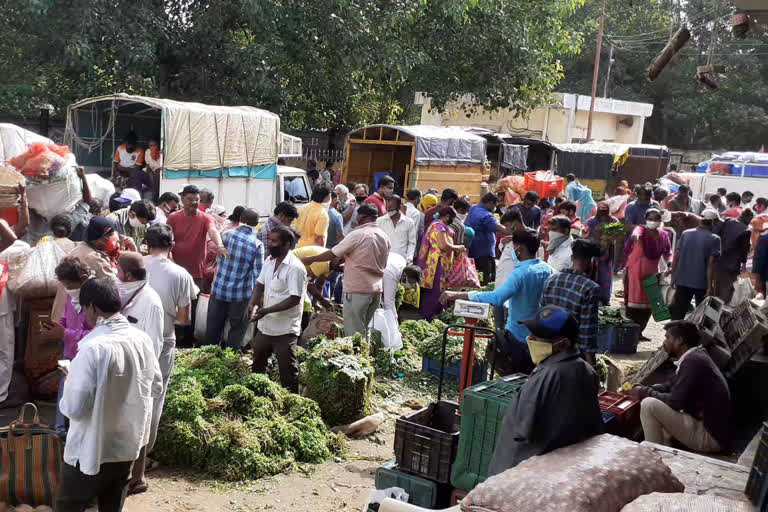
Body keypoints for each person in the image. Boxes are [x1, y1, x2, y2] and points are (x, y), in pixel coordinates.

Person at [55, 278, 162, 512]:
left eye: (84, 310)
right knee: (112, 505)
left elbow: (73, 407)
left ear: (93, 307)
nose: (85, 315)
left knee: (68, 505)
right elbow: (156, 386)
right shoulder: (141, 339)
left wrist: (70, 377)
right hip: (125, 444)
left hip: (93, 448)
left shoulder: (93, 348)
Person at [487, 305, 604, 475]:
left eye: (539, 337)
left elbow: (522, 430)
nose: (531, 338)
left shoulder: (547, 376)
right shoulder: (587, 371)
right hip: (556, 468)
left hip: (519, 471)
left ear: (563, 344)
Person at [442, 231, 556, 376]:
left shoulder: (521, 273)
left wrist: (460, 295)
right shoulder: (549, 270)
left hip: (518, 337)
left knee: (513, 377)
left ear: (519, 248)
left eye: (512, 247)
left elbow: (497, 298)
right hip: (541, 338)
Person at [632, 321, 730, 453]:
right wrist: (648, 388)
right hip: (704, 426)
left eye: (667, 338)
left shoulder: (693, 362)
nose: (664, 343)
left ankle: (651, 455)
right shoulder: (695, 356)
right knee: (657, 402)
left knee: (649, 404)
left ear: (679, 341)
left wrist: (643, 392)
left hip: (710, 438)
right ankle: (662, 451)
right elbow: (671, 385)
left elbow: (675, 401)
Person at [301, 204, 391, 338]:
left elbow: (333, 254)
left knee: (353, 333)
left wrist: (311, 259)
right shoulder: (383, 236)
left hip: (358, 290)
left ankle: (358, 358)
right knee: (363, 330)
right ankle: (364, 355)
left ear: (362, 217)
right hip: (376, 289)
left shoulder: (359, 234)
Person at [248, 226, 307, 393]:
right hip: (265, 327)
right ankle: (258, 394)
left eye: (274, 241)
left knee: (287, 370)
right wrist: (252, 303)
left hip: (284, 329)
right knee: (258, 363)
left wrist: (267, 310)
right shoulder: (269, 260)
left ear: (287, 244)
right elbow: (260, 284)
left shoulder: (295, 268)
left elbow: (294, 299)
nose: (269, 244)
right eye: (269, 240)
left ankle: (291, 400)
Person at [42, 257, 92, 439]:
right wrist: (56, 327)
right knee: (66, 389)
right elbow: (65, 316)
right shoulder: (73, 297)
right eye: (65, 286)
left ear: (85, 278)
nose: (68, 290)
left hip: (87, 357)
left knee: (81, 398)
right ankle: (61, 429)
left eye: (70, 285)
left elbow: (97, 334)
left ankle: (74, 433)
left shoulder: (98, 299)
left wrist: (65, 333)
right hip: (70, 352)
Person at [207, 209, 264, 350]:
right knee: (237, 330)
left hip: (219, 290)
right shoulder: (257, 245)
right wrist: (258, 301)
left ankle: (209, 356)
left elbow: (217, 258)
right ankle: (230, 360)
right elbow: (259, 276)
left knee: (213, 328)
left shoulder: (226, 235)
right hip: (240, 296)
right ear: (256, 224)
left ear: (240, 219)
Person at [541, 239, 603, 366]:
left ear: (572, 257)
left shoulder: (551, 280)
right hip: (573, 357)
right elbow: (587, 334)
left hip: (550, 350)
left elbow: (541, 317)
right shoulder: (590, 288)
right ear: (590, 261)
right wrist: (592, 368)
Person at [50, 217, 120, 324]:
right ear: (98, 238)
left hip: (63, 316)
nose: (109, 241)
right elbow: (113, 289)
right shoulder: (94, 258)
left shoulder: (76, 250)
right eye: (107, 238)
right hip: (79, 320)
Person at [622, 209, 672, 338]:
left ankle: (639, 332)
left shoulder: (663, 235)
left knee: (649, 304)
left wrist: (669, 264)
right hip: (635, 272)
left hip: (652, 273)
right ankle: (630, 332)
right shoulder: (640, 231)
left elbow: (668, 252)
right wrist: (636, 236)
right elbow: (636, 232)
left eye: (656, 219)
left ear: (660, 221)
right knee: (633, 304)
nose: (653, 221)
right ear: (646, 219)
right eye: (651, 218)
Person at [167, 185, 229, 288]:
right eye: (190, 199)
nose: (194, 202)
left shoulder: (206, 218)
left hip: (196, 271)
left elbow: (213, 231)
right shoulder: (173, 217)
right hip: (174, 268)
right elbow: (166, 238)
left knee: (194, 301)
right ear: (182, 199)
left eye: (197, 200)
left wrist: (220, 246)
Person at [670, 209, 721, 320]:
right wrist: (710, 287)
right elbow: (711, 265)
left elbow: (676, 257)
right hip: (701, 284)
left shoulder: (686, 234)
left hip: (682, 280)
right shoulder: (715, 239)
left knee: (678, 312)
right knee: (701, 315)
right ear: (713, 222)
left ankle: (672, 333)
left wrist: (673, 277)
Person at [417, 206, 466, 319]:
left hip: (438, 263)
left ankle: (432, 316)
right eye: (452, 218)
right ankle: (427, 317)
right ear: (447, 216)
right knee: (435, 292)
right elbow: (443, 245)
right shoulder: (439, 227)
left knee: (437, 291)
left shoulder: (437, 225)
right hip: (436, 264)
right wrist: (458, 247)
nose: (452, 221)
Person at [493, 210, 526, 332]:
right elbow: (505, 254)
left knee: (509, 325)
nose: (506, 229)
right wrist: (502, 242)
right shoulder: (511, 237)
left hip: (513, 289)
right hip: (500, 287)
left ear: (515, 223)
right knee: (498, 326)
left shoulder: (529, 237)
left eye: (507, 226)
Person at [466, 193, 509, 285]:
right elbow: (504, 231)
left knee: (476, 278)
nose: (495, 207)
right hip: (484, 253)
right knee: (485, 281)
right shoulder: (486, 215)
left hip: (473, 250)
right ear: (490, 203)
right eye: (495, 205)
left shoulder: (474, 208)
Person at [713, 209, 752, 303]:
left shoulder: (727, 220)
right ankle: (721, 311)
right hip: (731, 264)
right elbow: (744, 250)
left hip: (718, 260)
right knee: (727, 289)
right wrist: (744, 265)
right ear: (749, 220)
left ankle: (712, 309)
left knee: (716, 286)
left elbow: (715, 233)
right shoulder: (746, 231)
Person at [585, 201, 619, 304]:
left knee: (606, 276)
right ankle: (592, 299)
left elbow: (617, 235)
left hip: (607, 253)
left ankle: (605, 299)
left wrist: (608, 239)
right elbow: (585, 234)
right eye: (600, 208)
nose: (602, 210)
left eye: (605, 208)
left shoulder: (613, 220)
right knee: (592, 274)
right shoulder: (591, 221)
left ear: (608, 209)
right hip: (593, 252)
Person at [377, 194, 416, 262]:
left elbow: (412, 243)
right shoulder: (380, 221)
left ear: (399, 207)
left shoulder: (409, 222)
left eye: (391, 208)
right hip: (384, 260)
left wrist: (409, 258)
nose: (389, 211)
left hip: (402, 260)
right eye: (387, 208)